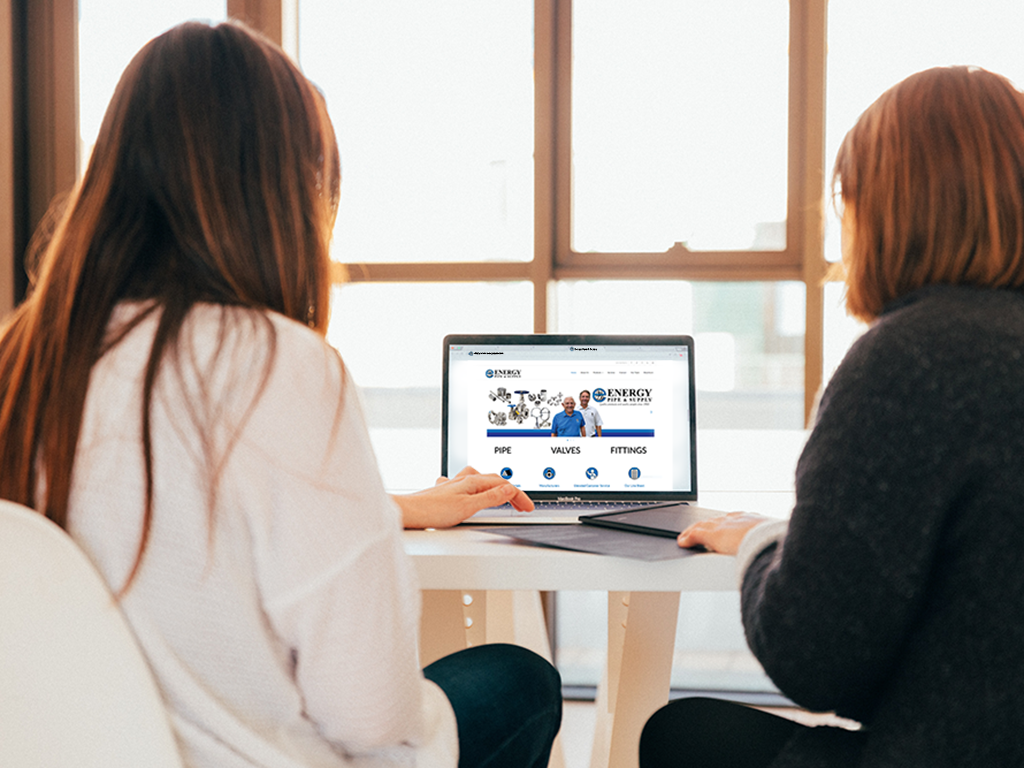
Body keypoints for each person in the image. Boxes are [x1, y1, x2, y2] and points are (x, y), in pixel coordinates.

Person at [0, 21, 560, 768]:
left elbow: (161, 522)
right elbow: (370, 714)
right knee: (520, 680)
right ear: (285, 190)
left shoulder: (24, 358)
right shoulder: (278, 365)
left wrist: (387, 508)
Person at [641, 65, 1024, 767]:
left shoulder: (911, 359)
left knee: (678, 736)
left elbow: (815, 662)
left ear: (886, 208)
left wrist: (760, 543)